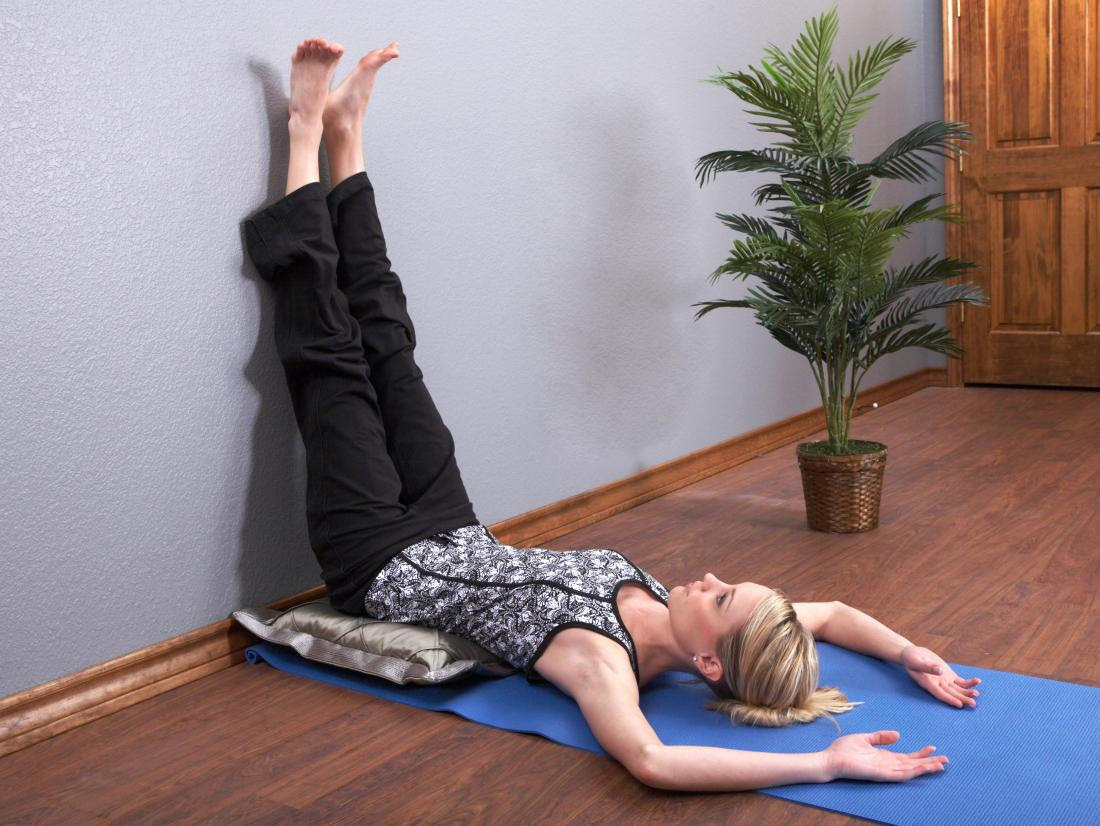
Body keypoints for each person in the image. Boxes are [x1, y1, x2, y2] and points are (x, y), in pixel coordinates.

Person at [243, 37, 980, 793]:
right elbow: (829, 614)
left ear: (706, 663)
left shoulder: (599, 660)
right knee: (392, 342)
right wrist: (909, 653)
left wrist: (823, 761)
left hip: (376, 559)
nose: (711, 576)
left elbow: (654, 760)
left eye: (722, 596)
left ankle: (306, 131)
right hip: (451, 522)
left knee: (333, 362)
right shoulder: (677, 610)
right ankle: (349, 138)